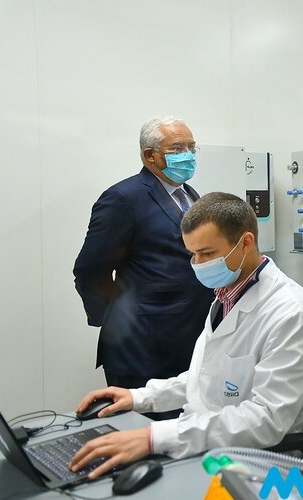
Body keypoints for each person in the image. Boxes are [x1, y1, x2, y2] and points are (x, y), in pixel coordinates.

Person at [69, 193, 303, 478]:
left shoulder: (292, 314)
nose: (198, 264)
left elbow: (267, 419)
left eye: (207, 253)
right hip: (205, 445)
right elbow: (208, 377)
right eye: (192, 254)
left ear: (246, 243)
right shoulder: (227, 294)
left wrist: (155, 437)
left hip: (257, 465)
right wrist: (139, 397)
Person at [73, 116, 213, 407]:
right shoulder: (123, 198)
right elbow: (90, 269)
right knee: (144, 425)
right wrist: (117, 318)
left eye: (192, 147)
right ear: (150, 155)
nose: (188, 155)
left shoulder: (190, 195)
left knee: (183, 423)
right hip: (143, 346)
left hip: (189, 337)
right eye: (178, 149)